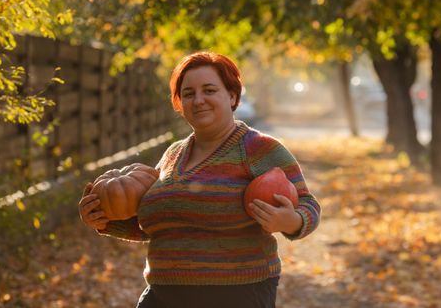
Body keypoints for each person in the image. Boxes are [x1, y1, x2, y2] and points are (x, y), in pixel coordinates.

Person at [78, 51, 321, 308]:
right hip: (164, 295)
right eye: (188, 93)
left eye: (209, 90)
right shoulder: (173, 154)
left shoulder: (258, 149)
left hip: (237, 295)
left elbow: (308, 204)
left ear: (232, 96)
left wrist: (291, 221)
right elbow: (162, 226)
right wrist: (103, 221)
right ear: (179, 103)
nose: (199, 100)